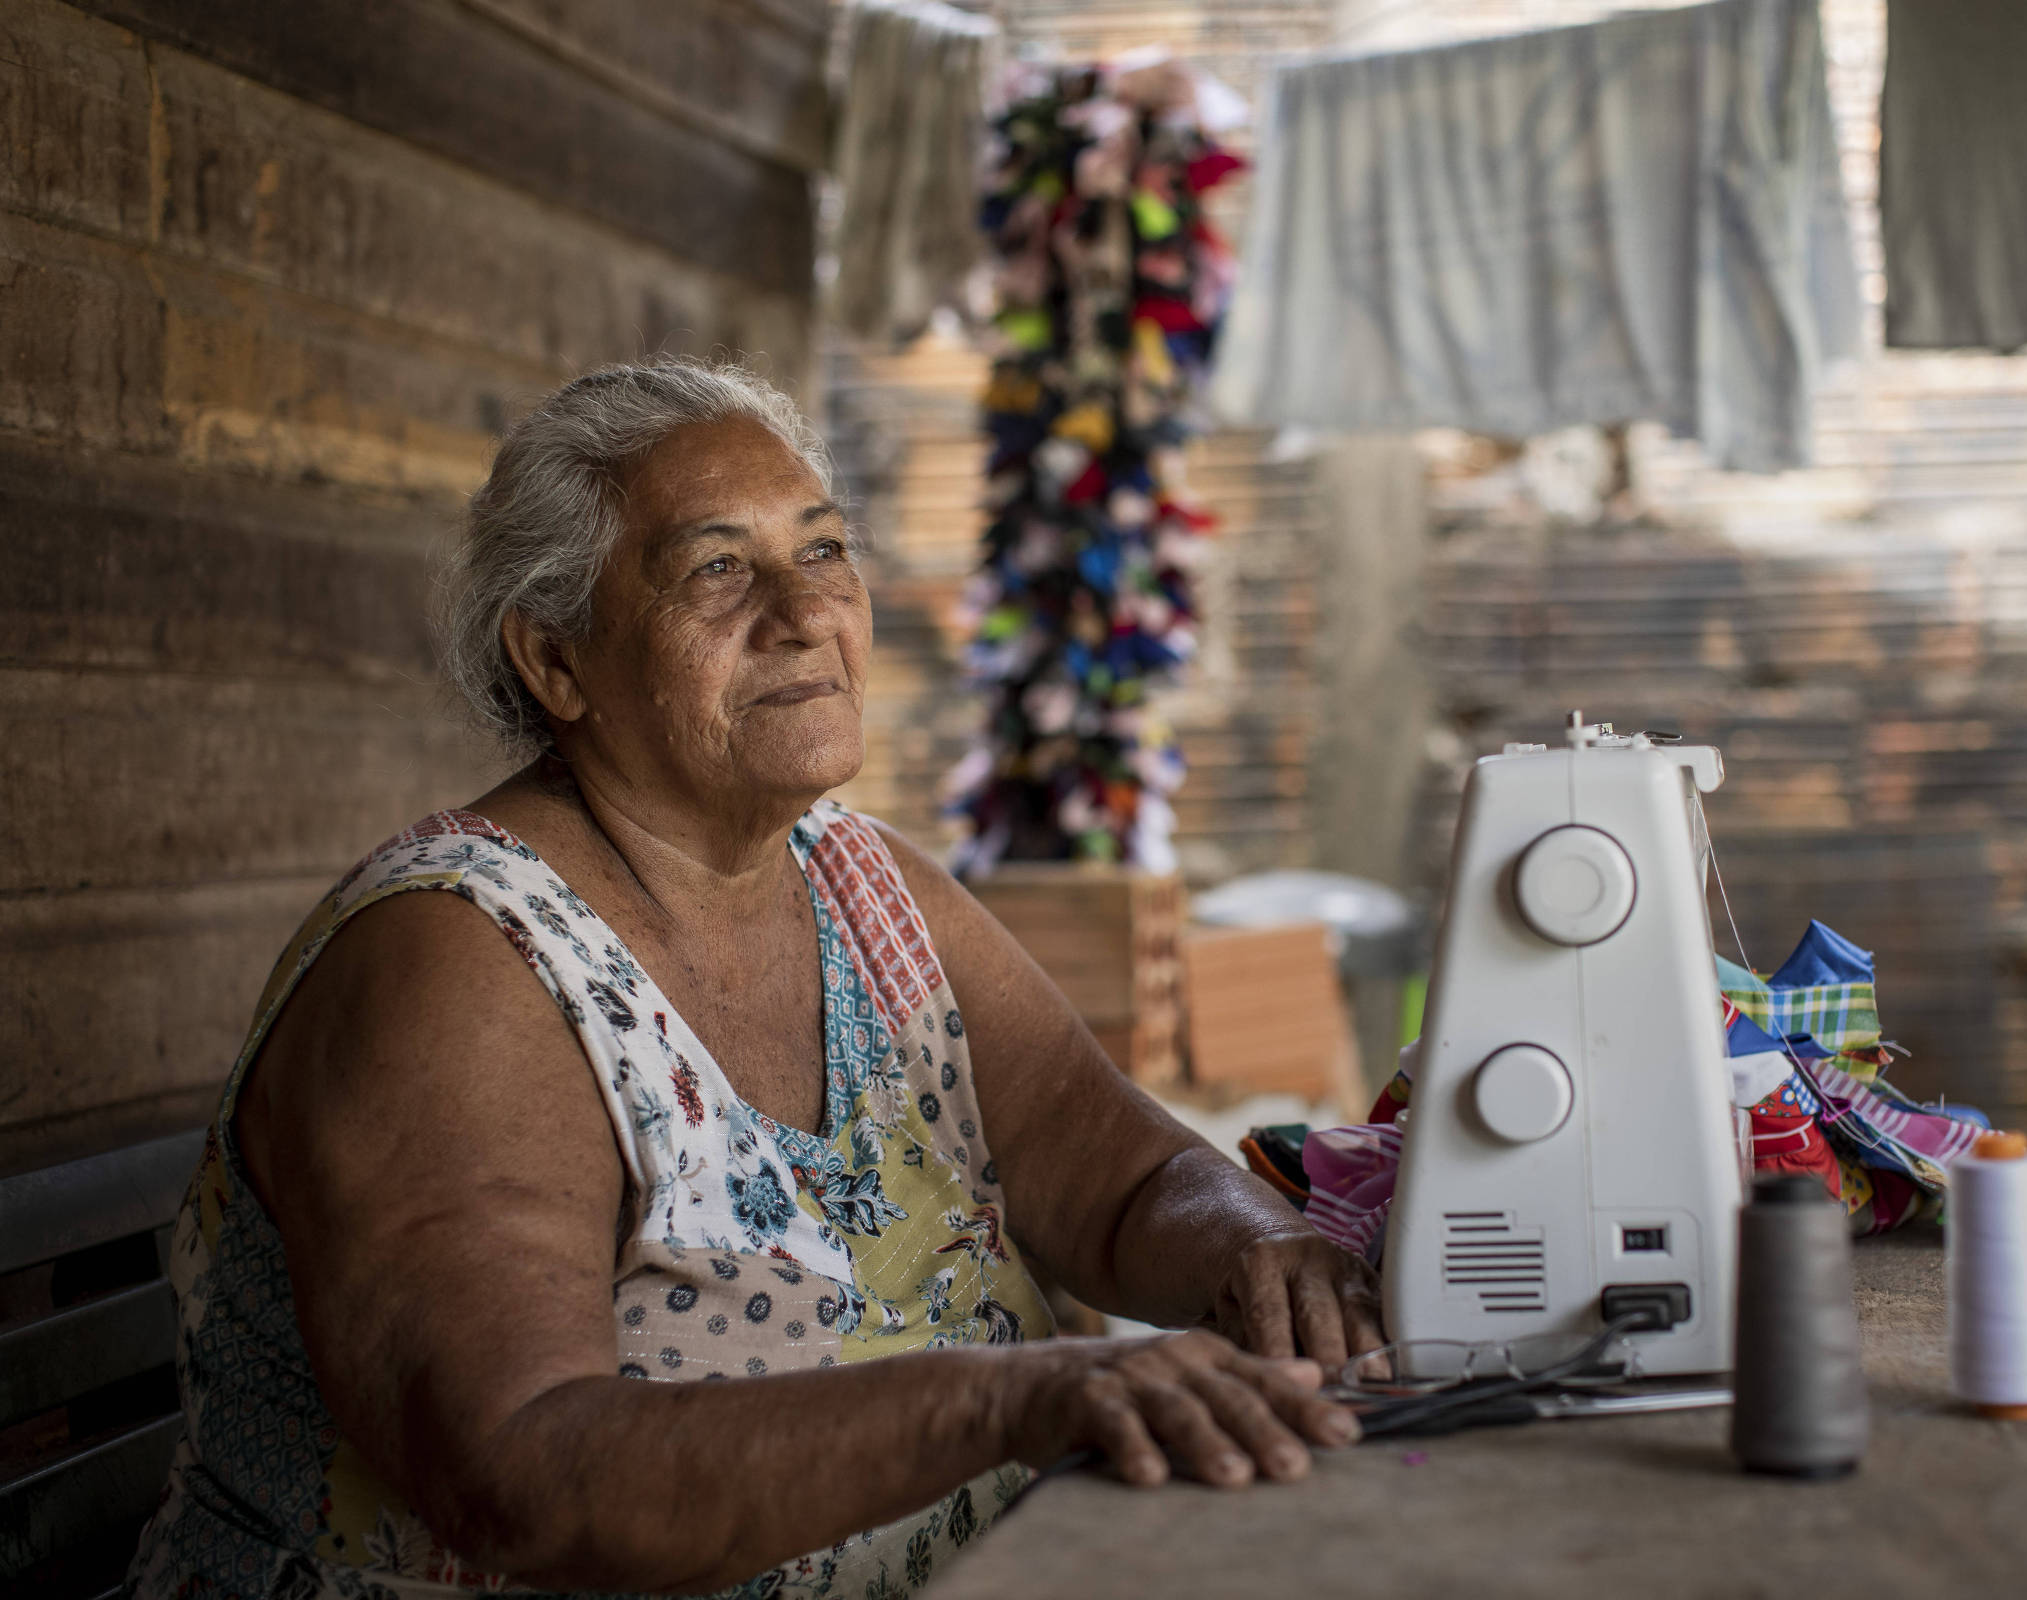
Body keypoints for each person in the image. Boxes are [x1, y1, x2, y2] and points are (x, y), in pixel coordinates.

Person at [129, 358, 1383, 1600]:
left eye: (825, 551)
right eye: (717, 568)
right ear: (557, 662)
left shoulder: (862, 882)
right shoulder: (456, 960)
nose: (803, 612)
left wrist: (1266, 1248)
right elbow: (520, 1469)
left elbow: (1125, 1178)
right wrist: (1021, 1396)